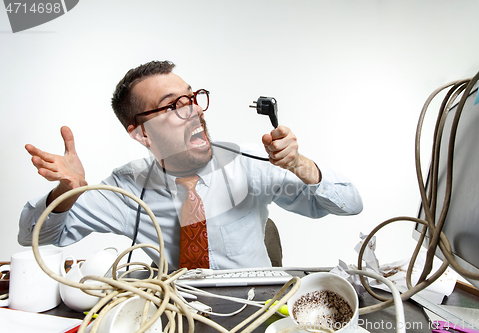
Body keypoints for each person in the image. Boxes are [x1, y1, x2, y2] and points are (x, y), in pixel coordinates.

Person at [19, 60, 363, 270]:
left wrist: (301, 165)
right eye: (174, 105)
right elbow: (37, 235)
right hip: (176, 312)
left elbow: (349, 204)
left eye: (193, 97)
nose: (195, 110)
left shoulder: (250, 159)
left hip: (257, 306)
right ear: (140, 133)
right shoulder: (127, 189)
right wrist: (68, 194)